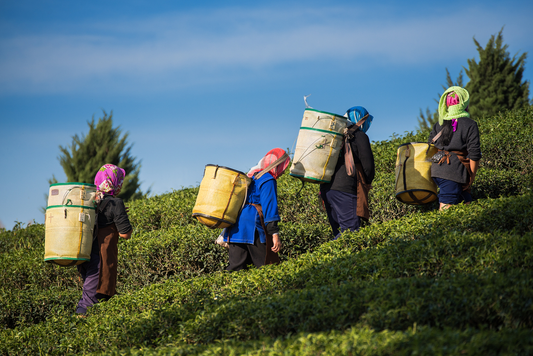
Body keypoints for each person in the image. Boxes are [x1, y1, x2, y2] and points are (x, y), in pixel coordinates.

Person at [75, 164, 133, 315]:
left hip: (85, 256)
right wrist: (120, 214)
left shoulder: (90, 200)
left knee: (101, 300)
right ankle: (73, 329)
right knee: (88, 302)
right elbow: (125, 234)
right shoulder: (116, 203)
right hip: (100, 259)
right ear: (114, 182)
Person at [223, 148, 290, 271]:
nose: (284, 171)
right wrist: (274, 234)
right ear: (278, 165)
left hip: (235, 227)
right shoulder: (268, 179)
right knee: (267, 267)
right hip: (253, 226)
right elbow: (269, 207)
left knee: (236, 269)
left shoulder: (252, 176)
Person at [320, 106, 375, 239]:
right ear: (361, 120)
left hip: (326, 189)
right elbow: (368, 165)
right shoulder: (359, 136)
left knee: (339, 232)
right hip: (345, 189)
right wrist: (368, 182)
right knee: (351, 232)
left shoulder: (336, 135)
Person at [428, 86, 481, 210]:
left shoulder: (439, 124)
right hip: (453, 172)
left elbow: (430, 146)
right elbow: (474, 154)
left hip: (436, 170)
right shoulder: (470, 124)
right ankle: (441, 229)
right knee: (446, 207)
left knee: (466, 201)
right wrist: (471, 178)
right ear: (464, 102)